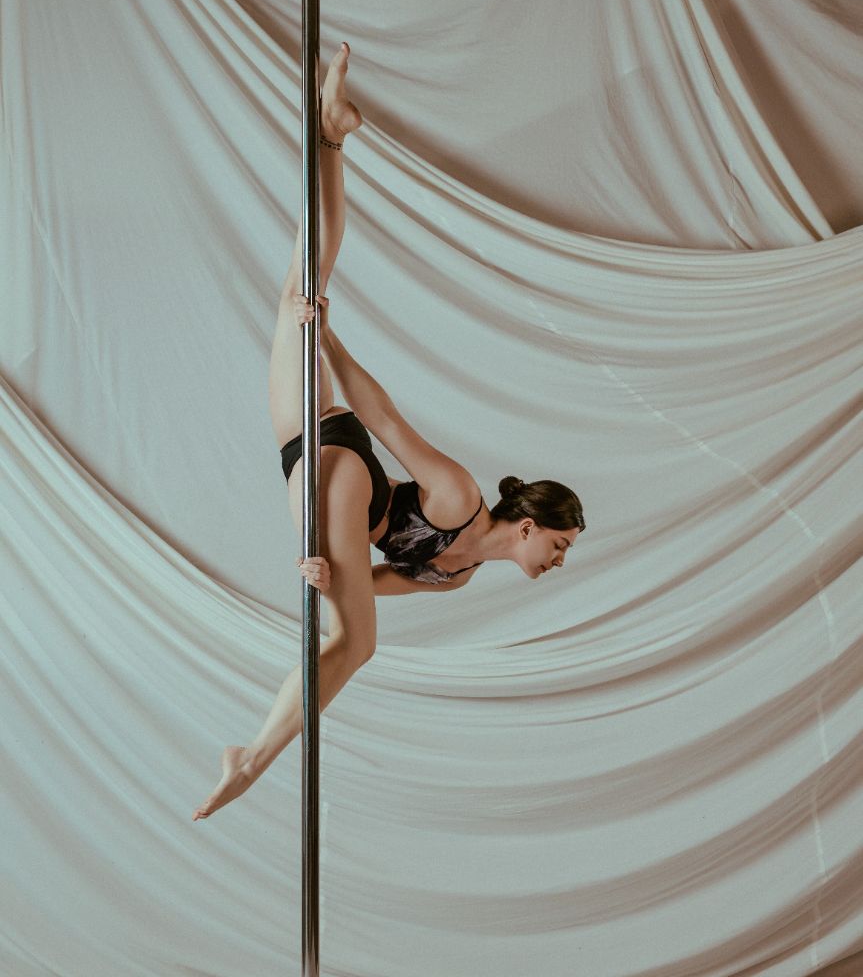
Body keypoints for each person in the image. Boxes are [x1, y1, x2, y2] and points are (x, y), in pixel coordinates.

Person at [192, 43, 585, 821]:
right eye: (560, 546)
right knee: (304, 292)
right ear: (531, 525)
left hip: (312, 470)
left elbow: (360, 588)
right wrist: (326, 338)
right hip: (343, 457)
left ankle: (331, 131)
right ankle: (252, 758)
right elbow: (382, 418)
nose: (557, 561)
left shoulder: (455, 575)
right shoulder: (458, 496)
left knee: (350, 633)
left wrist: (322, 580)